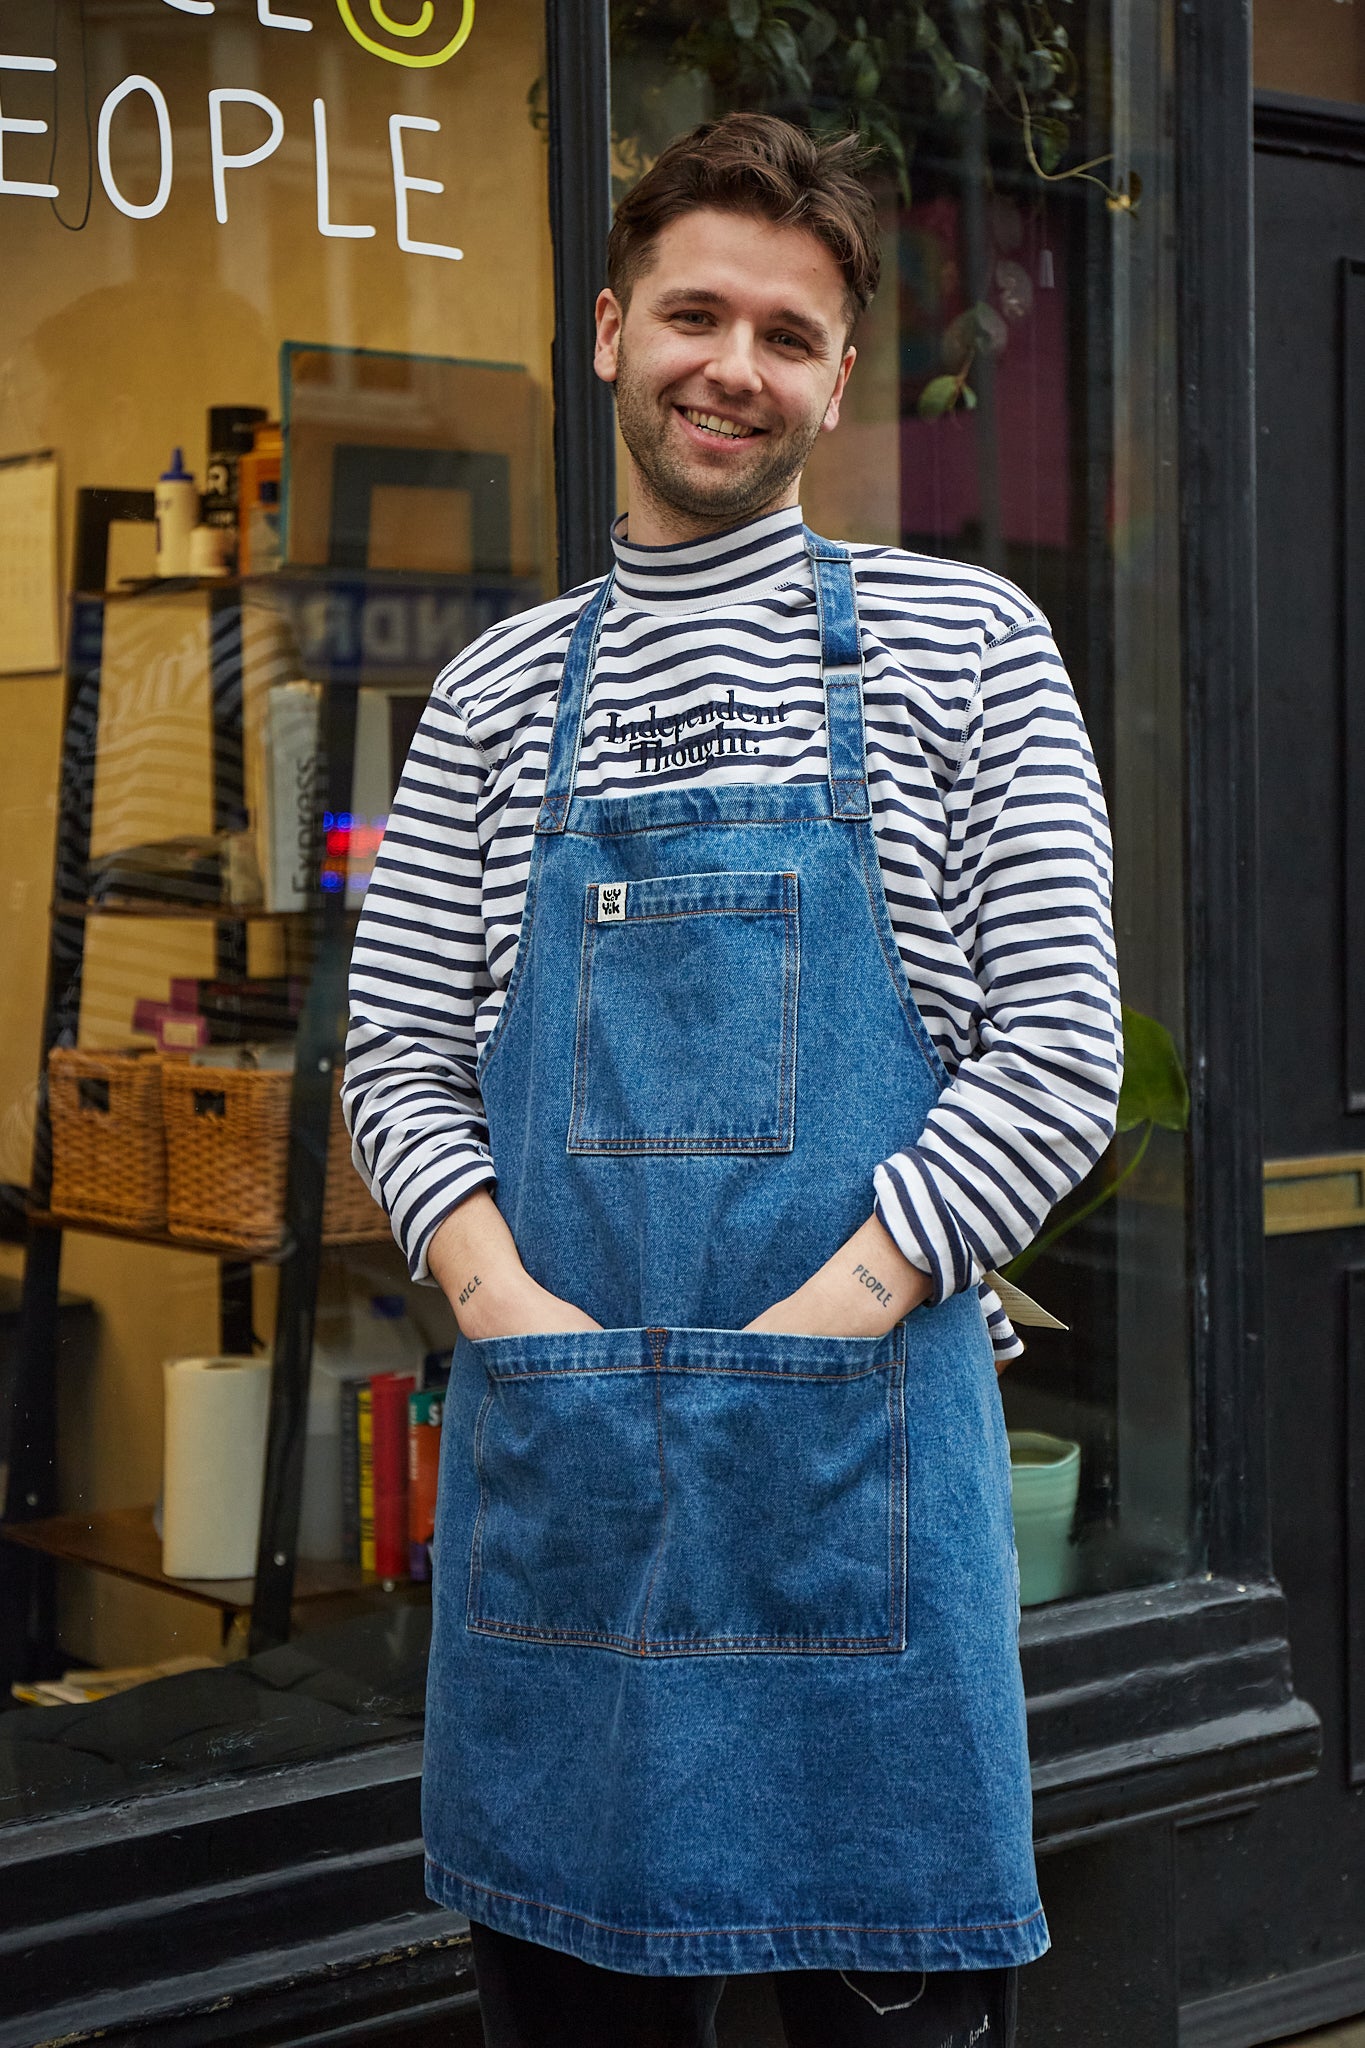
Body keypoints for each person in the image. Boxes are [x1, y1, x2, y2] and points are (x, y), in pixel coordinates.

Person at [344, 113, 1122, 2048]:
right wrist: (508, 1315)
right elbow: (399, 1056)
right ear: (606, 330)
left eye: (788, 335)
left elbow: (1061, 1063)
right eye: (694, 314)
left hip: (853, 1478)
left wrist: (814, 1328)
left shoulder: (966, 648)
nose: (734, 367)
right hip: (568, 1488)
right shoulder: (496, 691)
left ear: (838, 377)